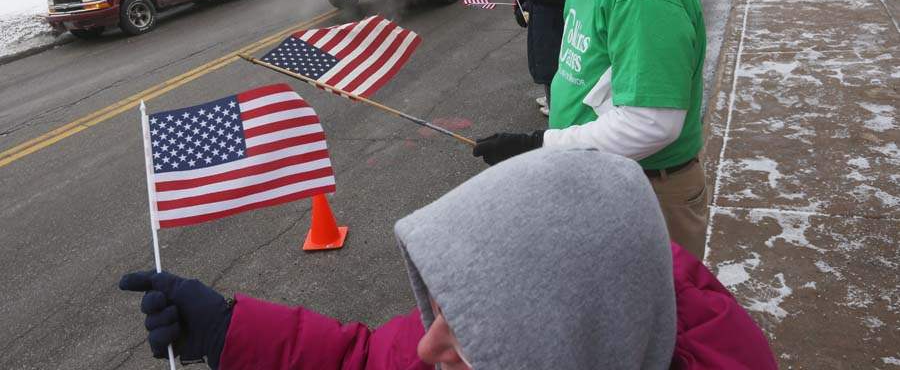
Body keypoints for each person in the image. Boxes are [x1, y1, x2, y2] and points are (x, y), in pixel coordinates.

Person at [119, 149, 779, 370]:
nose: (429, 345)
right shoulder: (516, 309)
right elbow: (367, 362)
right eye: (438, 306)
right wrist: (228, 331)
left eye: (464, 341)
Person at [471, 0, 709, 259]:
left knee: (653, 323)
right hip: (607, 180)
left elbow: (653, 123)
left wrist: (540, 144)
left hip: (649, 192)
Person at [501, 0, 569, 116]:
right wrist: (524, 6)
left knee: (558, 81)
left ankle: (557, 114)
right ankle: (552, 103)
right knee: (549, 77)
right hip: (543, 32)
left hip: (559, 36)